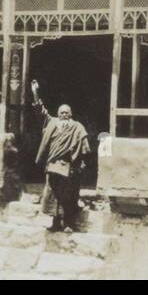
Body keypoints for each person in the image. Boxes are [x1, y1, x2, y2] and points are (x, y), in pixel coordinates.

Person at [31, 80, 90, 233]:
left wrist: (82, 163)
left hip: (68, 167)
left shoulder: (77, 127)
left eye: (67, 112)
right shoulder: (51, 123)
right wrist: (35, 92)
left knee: (68, 196)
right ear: (57, 114)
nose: (64, 115)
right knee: (52, 195)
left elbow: (84, 146)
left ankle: (69, 224)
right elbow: (40, 111)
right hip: (52, 166)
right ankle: (55, 223)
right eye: (61, 112)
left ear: (71, 114)